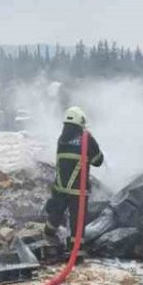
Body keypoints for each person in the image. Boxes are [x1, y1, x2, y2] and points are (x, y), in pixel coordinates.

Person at [43, 106, 104, 249]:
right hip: (78, 190)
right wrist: (92, 142)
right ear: (80, 122)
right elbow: (98, 161)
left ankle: (48, 235)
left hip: (60, 187)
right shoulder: (86, 139)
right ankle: (76, 251)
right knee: (77, 221)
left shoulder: (61, 140)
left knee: (56, 214)